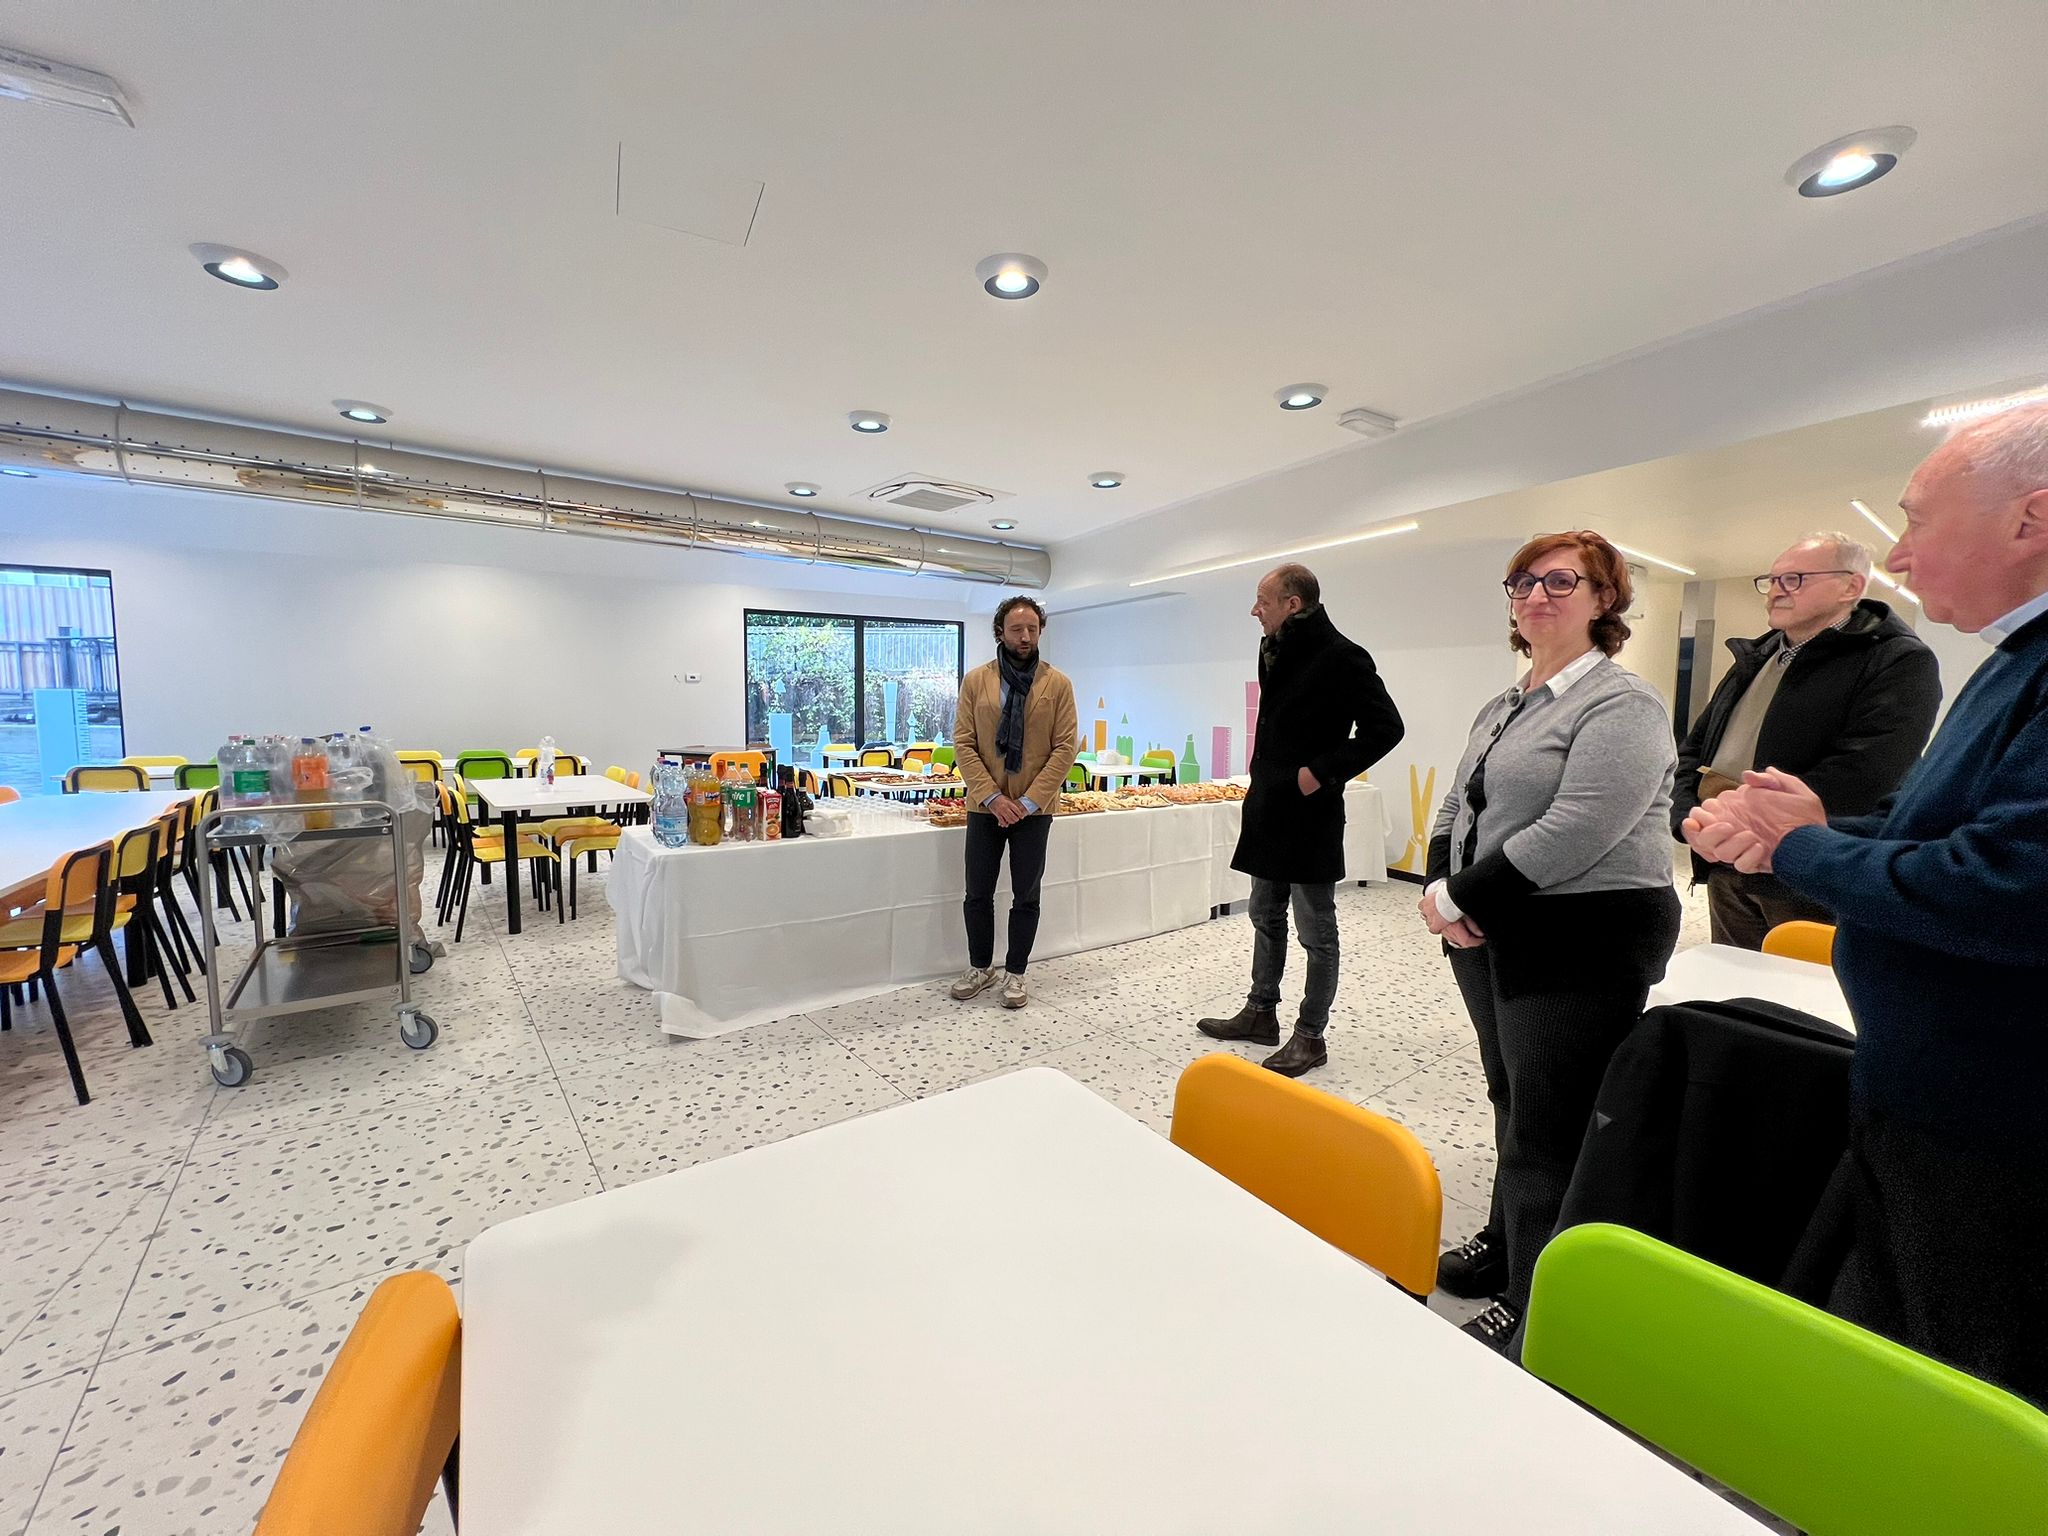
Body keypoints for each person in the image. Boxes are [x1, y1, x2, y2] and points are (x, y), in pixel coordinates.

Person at [1685, 403, 2048, 1408]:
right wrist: (1815, 826)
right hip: (1927, 1093)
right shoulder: (2012, 661)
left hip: (1996, 1125)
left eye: (1916, 520)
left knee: (1961, 1382)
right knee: (1894, 1339)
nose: (1899, 553)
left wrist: (1798, 846)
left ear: (2030, 520)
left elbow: (2006, 887)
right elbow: (1926, 823)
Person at [1421, 531, 1681, 1350]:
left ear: (1605, 599)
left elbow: (1580, 826)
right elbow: (1459, 802)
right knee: (1512, 1094)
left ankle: (1537, 1304)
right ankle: (1506, 1241)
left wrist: (1461, 895)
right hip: (1496, 926)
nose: (1537, 594)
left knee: (1550, 1125)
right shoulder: (1505, 704)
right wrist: (1440, 887)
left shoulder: (1622, 704)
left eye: (1562, 581)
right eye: (1523, 581)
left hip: (1581, 937)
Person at [1672, 532, 1939, 948]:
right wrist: (1688, 819)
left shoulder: (1897, 660)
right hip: (1726, 862)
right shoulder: (1757, 656)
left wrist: (1757, 826)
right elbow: (1696, 747)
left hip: (1809, 869)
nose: (1776, 591)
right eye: (1772, 580)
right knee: (1732, 979)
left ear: (1851, 586)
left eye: (1794, 579)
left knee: (1803, 983)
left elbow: (1868, 772)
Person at [1196, 564, 1403, 1077]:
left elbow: (1386, 728)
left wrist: (1320, 772)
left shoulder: (1343, 656)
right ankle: (1260, 1012)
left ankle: (1310, 1036)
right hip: (1270, 806)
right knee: (1264, 915)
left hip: (1310, 812)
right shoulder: (1274, 648)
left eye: (1262, 600)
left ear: (1292, 604)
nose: (1254, 610)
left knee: (1316, 929)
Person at [950, 595, 1080, 1009]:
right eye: (1016, 629)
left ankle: (1016, 972)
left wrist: (1026, 802)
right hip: (984, 806)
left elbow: (1065, 749)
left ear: (1040, 631)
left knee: (1026, 894)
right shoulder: (977, 681)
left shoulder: (1057, 684)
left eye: (1032, 629)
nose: (1025, 637)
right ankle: (980, 967)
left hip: (1034, 810)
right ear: (1000, 632)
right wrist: (993, 797)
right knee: (977, 892)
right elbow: (963, 743)